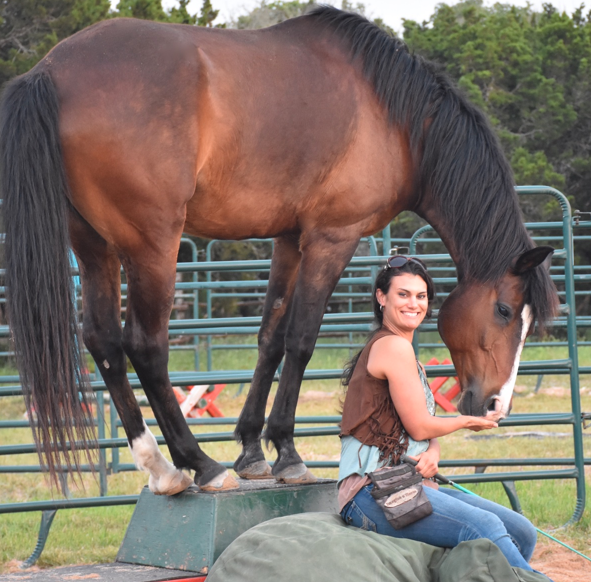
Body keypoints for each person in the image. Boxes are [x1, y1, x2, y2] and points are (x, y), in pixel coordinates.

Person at [338, 255, 540, 572]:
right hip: (371, 494)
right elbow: (419, 427)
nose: (413, 304)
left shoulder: (408, 355)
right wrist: (465, 421)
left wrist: (433, 450)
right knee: (483, 526)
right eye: (402, 294)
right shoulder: (393, 347)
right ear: (382, 298)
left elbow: (418, 430)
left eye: (421, 296)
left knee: (522, 532)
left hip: (409, 482)